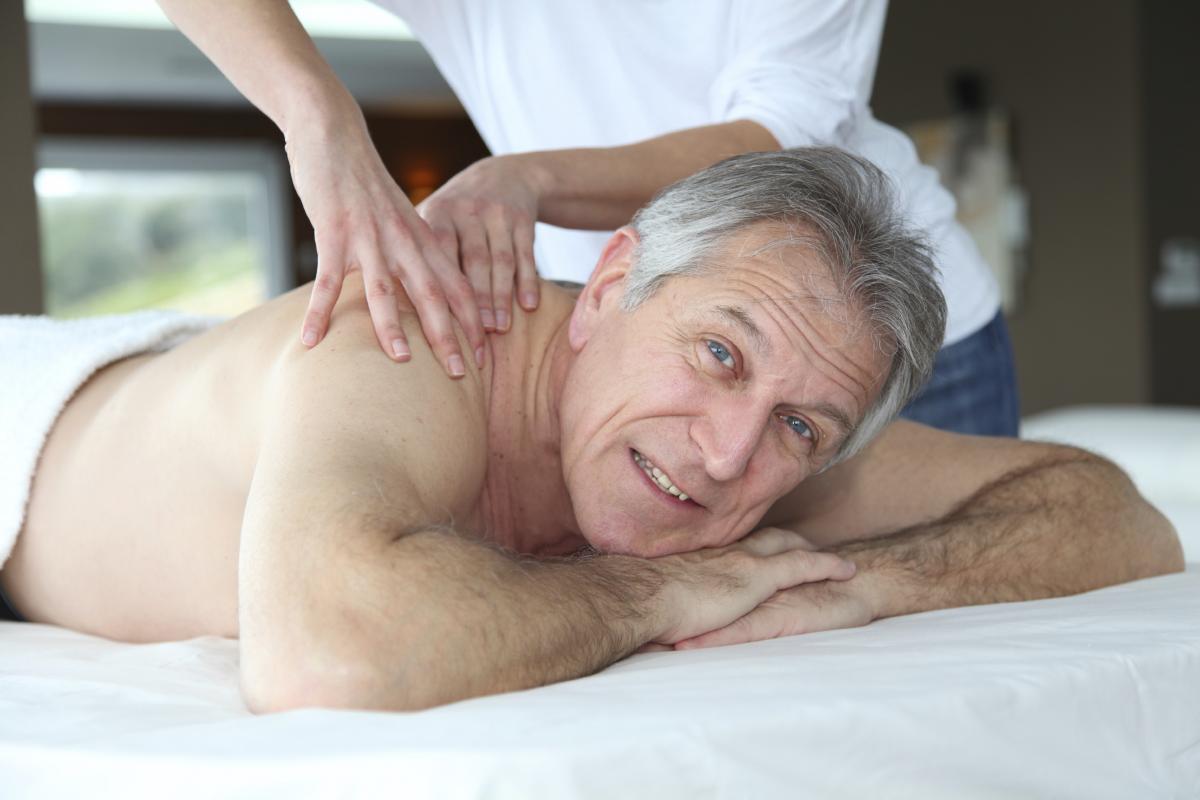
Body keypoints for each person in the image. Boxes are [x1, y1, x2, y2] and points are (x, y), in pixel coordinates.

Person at [0, 150, 1181, 711]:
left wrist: (865, 584)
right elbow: (331, 655)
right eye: (718, 351)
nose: (726, 452)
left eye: (799, 424)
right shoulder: (417, 341)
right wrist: (663, 591)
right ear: (611, 284)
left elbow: (1113, 514)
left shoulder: (767, 444)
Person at [154, 0, 1019, 435]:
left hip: (890, 343)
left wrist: (528, 180)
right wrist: (320, 122)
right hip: (625, 332)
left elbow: (775, 138)